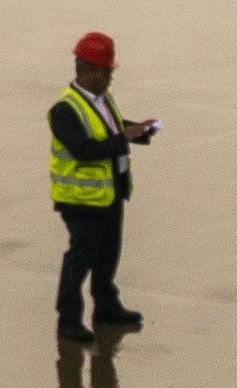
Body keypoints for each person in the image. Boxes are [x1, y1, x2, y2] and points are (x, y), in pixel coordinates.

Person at [48, 28, 157, 344]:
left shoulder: (101, 99)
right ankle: (68, 319)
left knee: (108, 254)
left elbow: (110, 128)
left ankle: (106, 306)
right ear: (87, 71)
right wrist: (123, 138)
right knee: (79, 260)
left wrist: (138, 131)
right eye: (106, 72)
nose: (110, 78)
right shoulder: (65, 110)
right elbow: (83, 149)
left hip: (109, 194)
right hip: (81, 199)